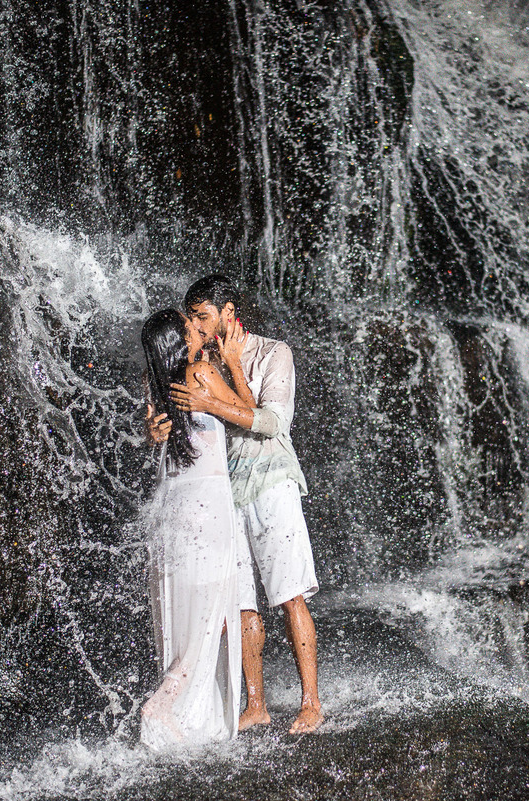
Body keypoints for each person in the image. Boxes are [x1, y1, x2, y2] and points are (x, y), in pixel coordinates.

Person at [147, 275, 323, 734]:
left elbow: (271, 423)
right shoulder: (200, 361)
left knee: (288, 594)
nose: (197, 328)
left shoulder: (272, 353)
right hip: (226, 496)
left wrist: (223, 383)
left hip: (271, 483)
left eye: (203, 317)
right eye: (192, 320)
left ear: (229, 313)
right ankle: (256, 704)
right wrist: (159, 429)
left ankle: (311, 703)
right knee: (243, 604)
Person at [138, 308, 254, 747]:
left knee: (189, 618)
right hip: (207, 509)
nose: (198, 330)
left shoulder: (154, 384)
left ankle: (186, 715)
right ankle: (163, 703)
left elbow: (157, 439)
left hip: (172, 509)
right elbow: (249, 413)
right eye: (190, 328)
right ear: (179, 341)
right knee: (209, 619)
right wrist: (236, 367)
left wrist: (151, 433)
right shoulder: (202, 372)